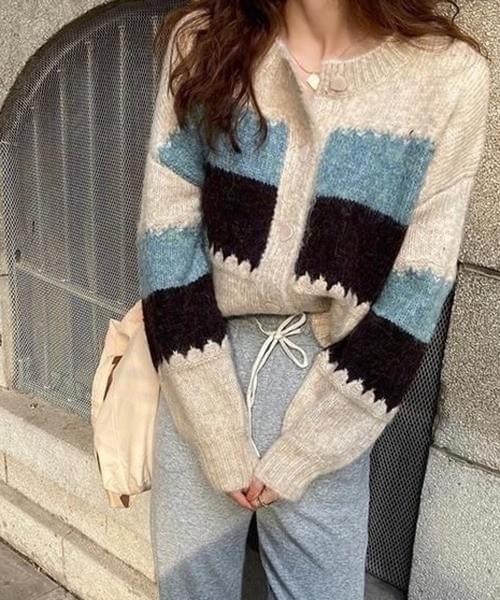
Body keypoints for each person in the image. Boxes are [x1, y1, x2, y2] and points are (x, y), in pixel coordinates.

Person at [135, 1, 491, 598]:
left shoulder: (448, 76)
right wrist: (214, 426)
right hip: (199, 376)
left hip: (332, 392)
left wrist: (311, 446)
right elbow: (165, 238)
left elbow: (418, 288)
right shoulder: (202, 40)